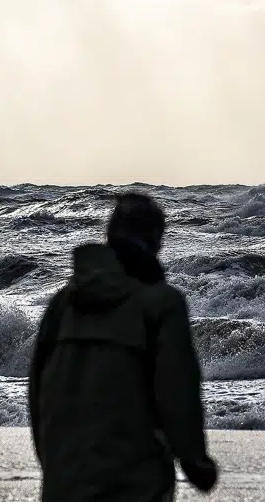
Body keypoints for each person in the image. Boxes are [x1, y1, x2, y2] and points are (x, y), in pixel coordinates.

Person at [30, 191, 218, 500]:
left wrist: (55, 464)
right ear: (154, 241)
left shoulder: (62, 304)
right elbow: (176, 391)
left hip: (63, 484)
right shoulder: (161, 304)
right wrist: (195, 461)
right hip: (133, 486)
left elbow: (37, 394)